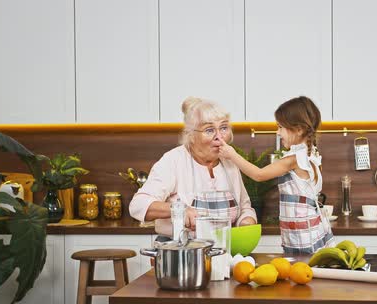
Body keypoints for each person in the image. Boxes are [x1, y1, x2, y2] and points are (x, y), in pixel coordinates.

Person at [129, 97, 257, 240]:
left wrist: (247, 221)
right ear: (191, 135)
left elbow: (244, 207)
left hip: (223, 250)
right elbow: (138, 205)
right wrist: (179, 210)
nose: (219, 137)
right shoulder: (173, 160)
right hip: (181, 251)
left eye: (224, 128)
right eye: (209, 130)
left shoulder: (229, 163)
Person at [218, 96, 334, 254]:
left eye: (280, 127)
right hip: (308, 232)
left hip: (302, 237)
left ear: (299, 129)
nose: (277, 132)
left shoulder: (293, 160)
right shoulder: (310, 156)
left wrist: (232, 155)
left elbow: (259, 175)